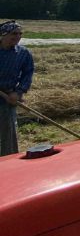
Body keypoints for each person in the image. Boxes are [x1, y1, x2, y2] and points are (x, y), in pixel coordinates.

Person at [0, 21, 34, 156]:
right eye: (14, 33)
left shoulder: (23, 53)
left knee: (8, 135)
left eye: (20, 34)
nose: (18, 36)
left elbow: (28, 73)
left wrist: (18, 92)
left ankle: (7, 163)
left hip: (7, 99)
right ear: (3, 35)